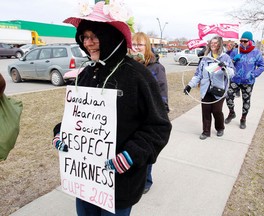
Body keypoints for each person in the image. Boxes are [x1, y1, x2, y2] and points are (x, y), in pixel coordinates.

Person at [52, 1, 172, 215]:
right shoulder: (86, 74)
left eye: (94, 36)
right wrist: (62, 133)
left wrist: (130, 155)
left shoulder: (138, 76)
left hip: (121, 184)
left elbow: (159, 126)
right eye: (84, 37)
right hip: (85, 180)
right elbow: (77, 117)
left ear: (111, 36)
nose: (88, 43)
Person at [129, 32, 169, 194]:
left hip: (148, 117)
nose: (136, 47)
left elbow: (162, 93)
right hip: (130, 116)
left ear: (147, 47)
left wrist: (161, 114)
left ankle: (146, 180)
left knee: (145, 150)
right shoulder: (126, 65)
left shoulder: (156, 68)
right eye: (134, 44)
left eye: (140, 45)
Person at [183, 35, 235, 140]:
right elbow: (198, 74)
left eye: (216, 43)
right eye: (211, 43)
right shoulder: (205, 58)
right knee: (205, 111)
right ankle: (206, 131)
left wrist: (224, 68)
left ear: (220, 44)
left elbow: (232, 73)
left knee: (217, 111)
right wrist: (189, 85)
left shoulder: (225, 58)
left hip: (219, 90)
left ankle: (220, 128)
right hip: (206, 89)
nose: (213, 45)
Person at [225, 31, 264, 129]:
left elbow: (262, 66)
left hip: (248, 82)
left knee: (246, 101)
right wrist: (234, 59)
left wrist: (253, 74)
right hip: (235, 79)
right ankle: (232, 113)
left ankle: (243, 119)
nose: (243, 43)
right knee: (228, 97)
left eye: (245, 41)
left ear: (250, 41)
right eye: (241, 41)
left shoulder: (256, 52)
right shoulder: (236, 50)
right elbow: (227, 63)